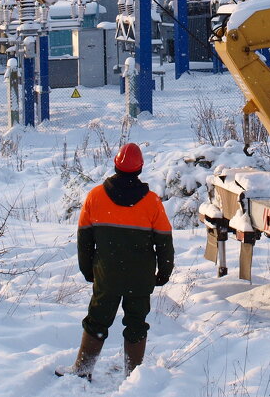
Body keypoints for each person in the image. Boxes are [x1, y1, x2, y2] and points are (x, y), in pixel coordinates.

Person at [64, 142, 174, 380]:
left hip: (107, 275)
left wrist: (88, 270)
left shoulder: (95, 196)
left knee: (97, 321)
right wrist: (164, 272)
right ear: (140, 168)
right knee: (136, 325)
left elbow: (84, 239)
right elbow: (164, 241)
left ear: (116, 165)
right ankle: (133, 377)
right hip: (140, 277)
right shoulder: (152, 202)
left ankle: (82, 370)